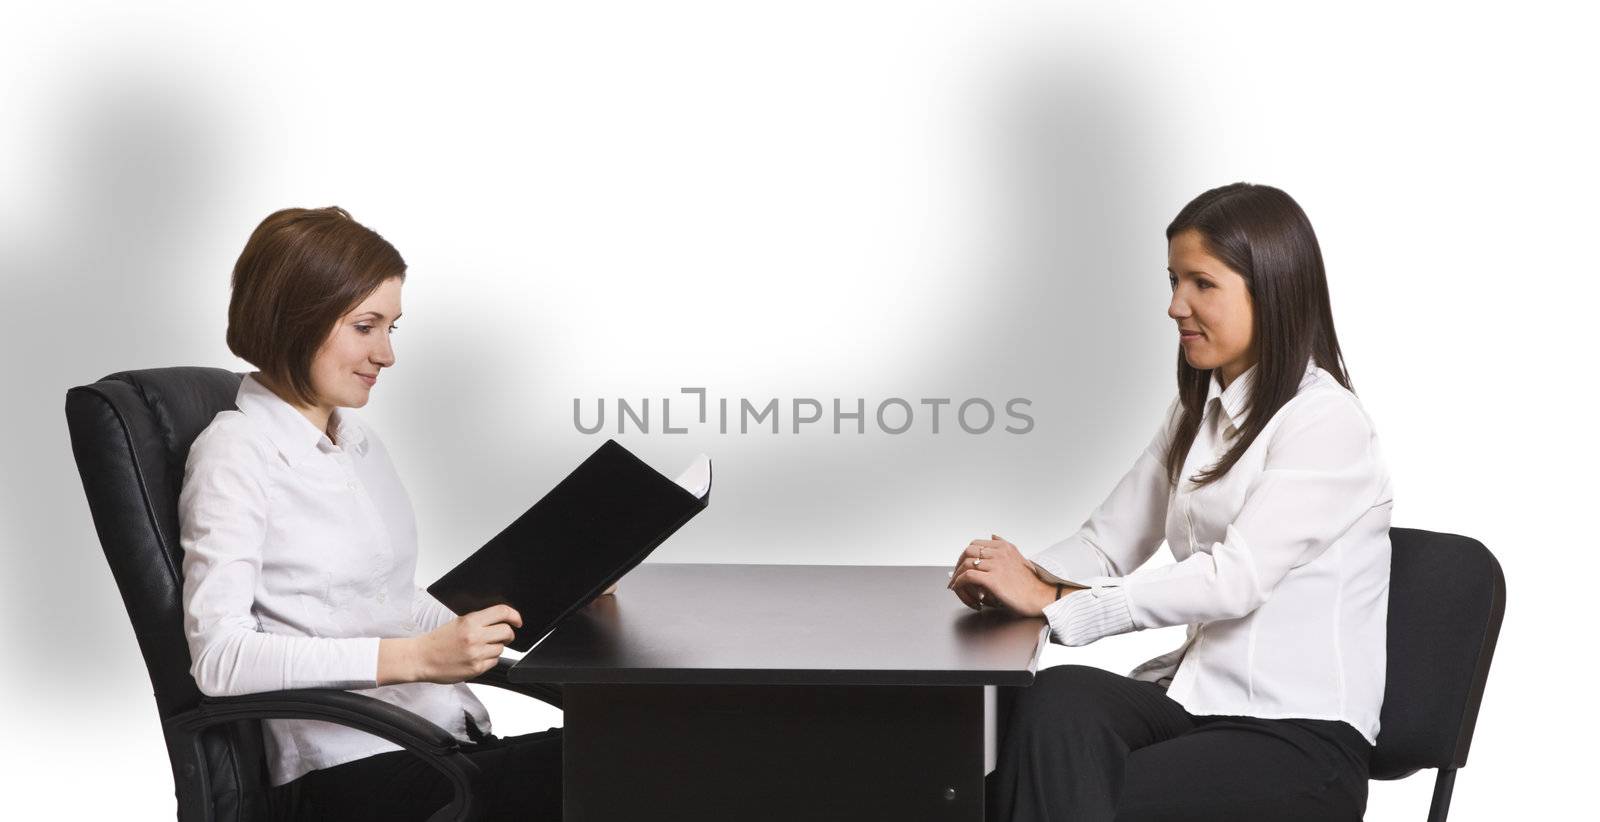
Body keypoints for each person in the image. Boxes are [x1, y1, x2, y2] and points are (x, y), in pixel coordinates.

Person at [948, 183, 1392, 821]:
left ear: (1273, 289)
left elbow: (1231, 582)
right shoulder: (1199, 411)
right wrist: (1011, 572)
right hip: (1194, 708)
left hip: (1296, 742)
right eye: (1173, 280)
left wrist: (1053, 602)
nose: (1175, 305)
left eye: (1201, 283)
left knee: (1033, 795)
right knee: (1058, 698)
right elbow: (1107, 542)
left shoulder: (1326, 423)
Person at [178, 206, 563, 821]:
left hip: (440, 741)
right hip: (359, 770)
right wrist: (417, 658)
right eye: (365, 326)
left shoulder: (354, 442)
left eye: (392, 328)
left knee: (650, 745)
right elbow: (221, 659)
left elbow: (389, 599)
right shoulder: (236, 452)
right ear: (293, 321)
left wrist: (526, 614)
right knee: (658, 763)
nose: (386, 354)